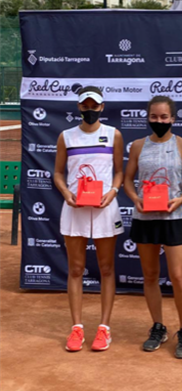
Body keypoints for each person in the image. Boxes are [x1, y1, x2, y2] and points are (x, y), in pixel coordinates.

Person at [124, 95, 182, 359]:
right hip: (145, 217)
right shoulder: (136, 146)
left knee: (178, 277)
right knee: (150, 276)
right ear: (148, 117)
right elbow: (127, 180)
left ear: (173, 118)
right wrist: (136, 200)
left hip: (175, 217)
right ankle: (158, 327)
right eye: (154, 117)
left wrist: (180, 198)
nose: (159, 121)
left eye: (164, 117)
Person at [54, 86, 124, 352]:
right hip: (74, 208)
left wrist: (113, 191)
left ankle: (104, 328)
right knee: (75, 269)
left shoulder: (113, 135)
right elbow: (58, 173)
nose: (90, 110)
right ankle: (77, 328)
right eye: (85, 106)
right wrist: (65, 191)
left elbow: (119, 172)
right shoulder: (66, 137)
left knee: (106, 269)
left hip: (105, 208)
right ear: (79, 107)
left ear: (102, 107)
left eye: (95, 106)